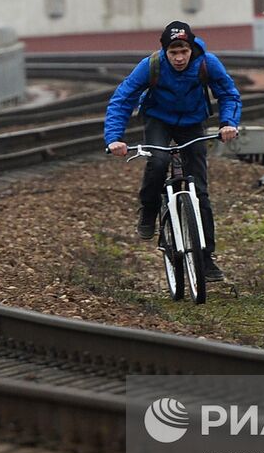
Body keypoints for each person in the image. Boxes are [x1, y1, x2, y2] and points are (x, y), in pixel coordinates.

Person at [104, 21, 242, 282]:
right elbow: (123, 98)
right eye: (173, 53)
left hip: (193, 122)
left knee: (200, 191)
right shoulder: (151, 65)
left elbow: (229, 94)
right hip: (159, 120)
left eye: (184, 52)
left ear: (192, 49)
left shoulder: (207, 63)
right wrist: (114, 139)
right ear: (165, 52)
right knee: (158, 161)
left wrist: (228, 124)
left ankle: (206, 258)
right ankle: (149, 208)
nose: (179, 58)